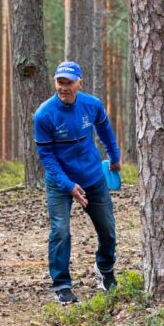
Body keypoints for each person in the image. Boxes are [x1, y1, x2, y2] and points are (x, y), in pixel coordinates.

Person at [33, 61, 120, 305]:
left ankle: (105, 269)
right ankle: (62, 284)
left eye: (69, 82)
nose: (64, 87)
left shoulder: (92, 105)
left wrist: (114, 157)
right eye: (60, 82)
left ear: (79, 83)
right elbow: (47, 158)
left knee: (107, 229)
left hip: (93, 177)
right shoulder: (44, 115)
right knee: (60, 231)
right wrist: (68, 185)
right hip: (60, 182)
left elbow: (105, 131)